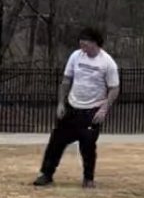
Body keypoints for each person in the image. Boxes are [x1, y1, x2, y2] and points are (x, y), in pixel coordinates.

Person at [33, 27, 120, 188]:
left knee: (87, 145)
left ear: (95, 43)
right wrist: (61, 102)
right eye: (81, 42)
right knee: (56, 141)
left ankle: (88, 178)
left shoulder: (107, 63)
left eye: (85, 43)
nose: (82, 46)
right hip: (72, 107)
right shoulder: (76, 56)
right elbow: (66, 80)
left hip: (92, 110)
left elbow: (114, 88)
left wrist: (104, 108)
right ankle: (46, 174)